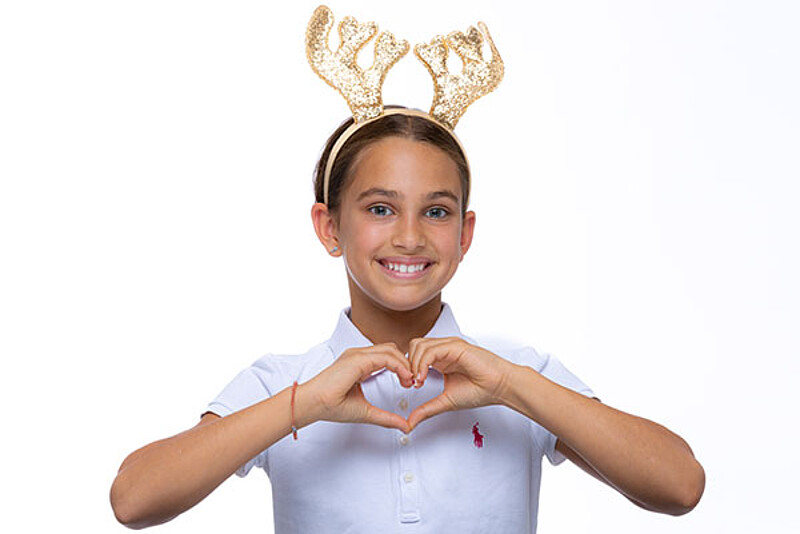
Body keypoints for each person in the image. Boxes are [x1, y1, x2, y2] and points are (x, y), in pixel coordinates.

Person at [110, 6, 704, 532]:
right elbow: (134, 499)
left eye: (436, 211)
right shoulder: (283, 384)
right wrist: (304, 405)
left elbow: (680, 486)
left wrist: (510, 386)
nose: (411, 236)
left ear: (465, 235)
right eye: (380, 208)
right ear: (329, 227)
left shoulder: (520, 377)